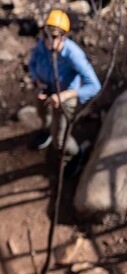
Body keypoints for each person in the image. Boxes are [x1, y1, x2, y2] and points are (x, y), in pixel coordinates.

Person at [28, 10, 101, 168]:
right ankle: (46, 131)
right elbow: (32, 64)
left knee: (60, 140)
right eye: (45, 34)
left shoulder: (73, 55)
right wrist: (37, 82)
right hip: (46, 89)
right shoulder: (42, 46)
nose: (48, 41)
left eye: (53, 36)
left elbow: (94, 85)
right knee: (43, 115)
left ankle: (75, 154)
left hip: (65, 97)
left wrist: (66, 95)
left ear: (64, 37)